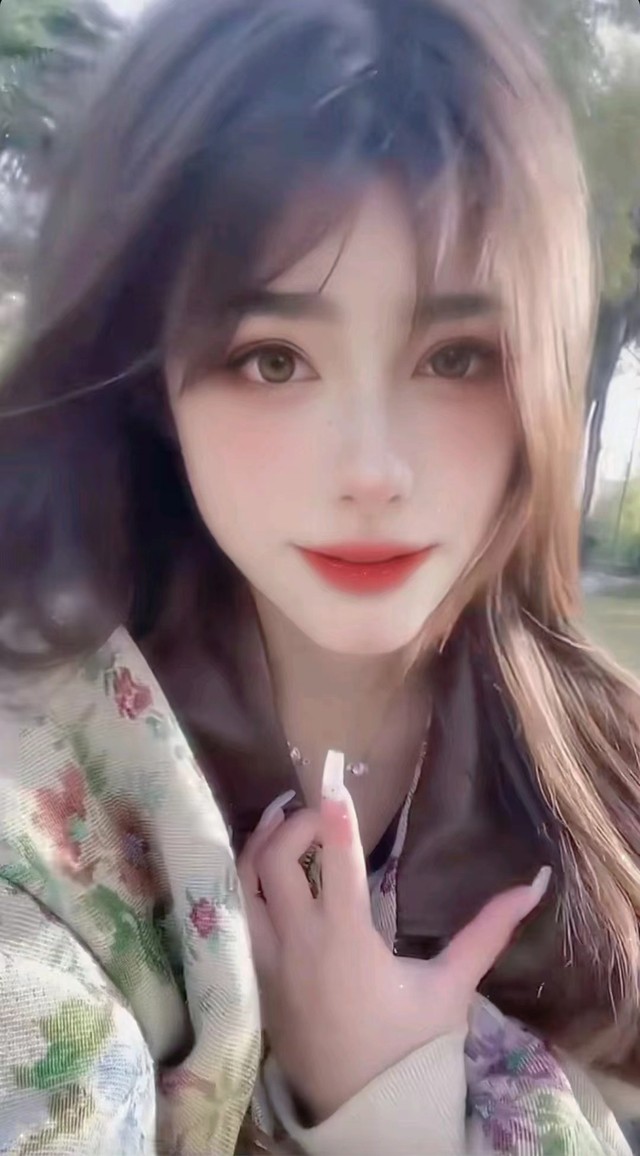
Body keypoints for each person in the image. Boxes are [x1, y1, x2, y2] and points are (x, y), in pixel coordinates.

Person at [1, 0, 639, 1151]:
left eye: (455, 357)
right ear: (153, 377)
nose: (373, 471)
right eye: (273, 359)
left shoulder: (611, 787)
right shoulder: (35, 788)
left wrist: (390, 1101)